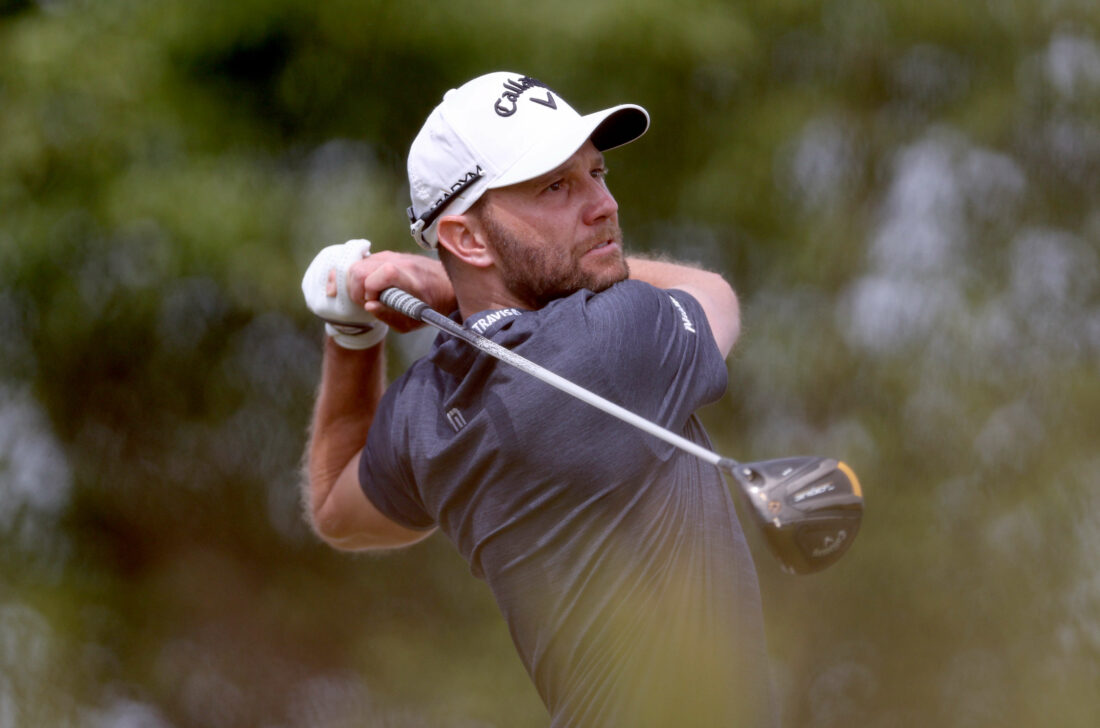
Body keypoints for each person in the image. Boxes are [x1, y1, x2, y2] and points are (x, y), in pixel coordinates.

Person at [300, 71, 776, 727]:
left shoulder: (425, 408)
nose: (603, 204)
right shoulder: (614, 338)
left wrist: (351, 334)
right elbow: (713, 292)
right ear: (466, 239)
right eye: (556, 186)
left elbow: (333, 508)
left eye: (596, 173)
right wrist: (442, 285)